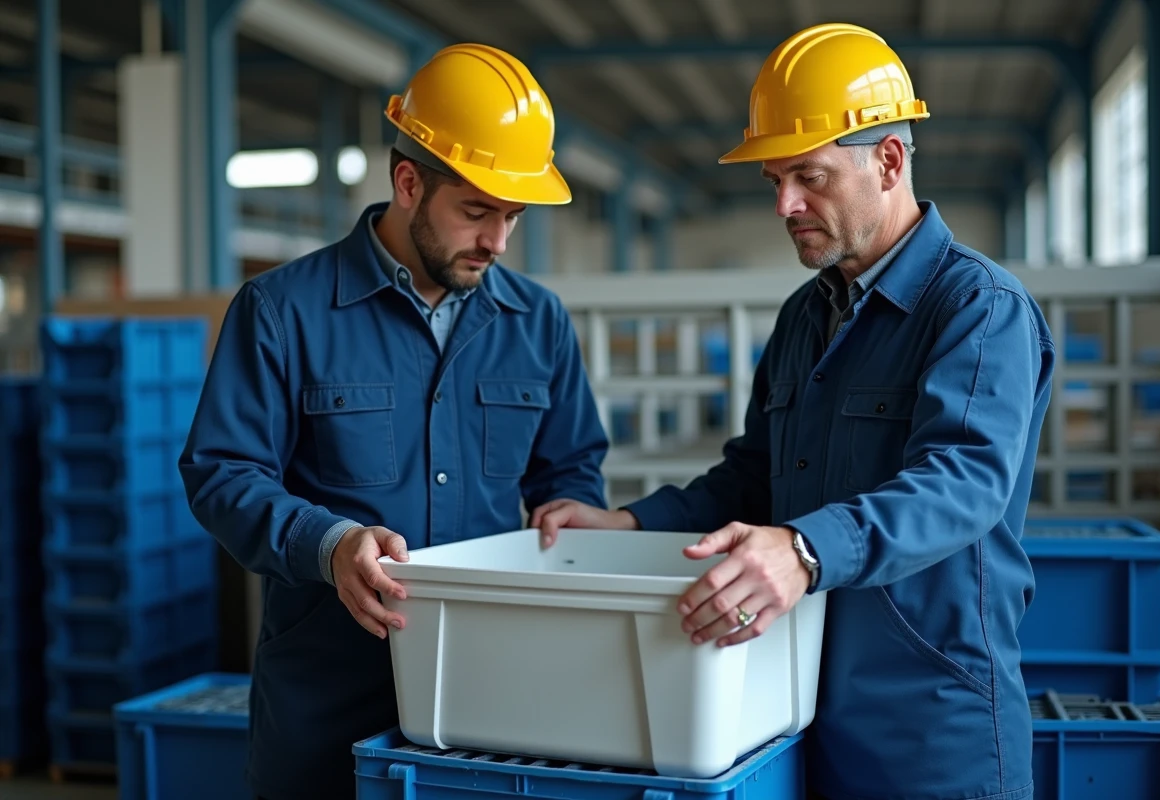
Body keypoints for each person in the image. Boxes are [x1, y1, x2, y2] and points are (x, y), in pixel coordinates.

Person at [533, 23, 1054, 800]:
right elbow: (752, 476)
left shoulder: (977, 309)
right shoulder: (804, 317)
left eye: (808, 176)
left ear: (888, 161)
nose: (785, 203)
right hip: (797, 701)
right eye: (775, 179)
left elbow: (964, 480)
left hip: (933, 721)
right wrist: (630, 524)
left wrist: (803, 552)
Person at [179, 43, 608, 800]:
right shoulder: (282, 311)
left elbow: (570, 471)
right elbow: (222, 473)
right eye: (477, 212)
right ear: (408, 183)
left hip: (492, 699)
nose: (498, 242)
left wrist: (568, 524)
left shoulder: (537, 322)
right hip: (327, 701)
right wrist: (330, 542)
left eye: (513, 215)